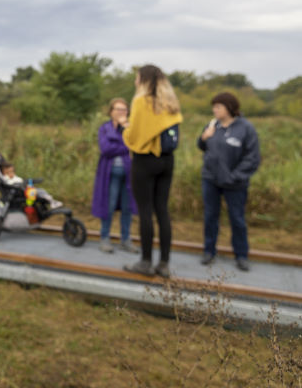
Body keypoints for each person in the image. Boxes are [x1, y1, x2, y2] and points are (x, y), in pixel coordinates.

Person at [121, 65, 183, 278]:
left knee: (145, 211)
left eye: (137, 78)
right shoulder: (170, 103)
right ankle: (164, 263)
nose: (135, 82)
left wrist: (125, 130)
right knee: (162, 210)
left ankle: (146, 262)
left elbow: (135, 138)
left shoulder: (141, 101)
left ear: (144, 80)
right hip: (167, 161)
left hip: (145, 161)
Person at [197, 92, 260, 271]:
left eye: (218, 107)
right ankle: (209, 251)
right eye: (213, 107)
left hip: (235, 183)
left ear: (229, 108)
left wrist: (235, 176)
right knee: (210, 216)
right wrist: (204, 137)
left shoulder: (245, 128)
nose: (214, 110)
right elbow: (202, 146)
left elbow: (252, 158)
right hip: (210, 180)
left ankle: (241, 255)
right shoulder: (212, 125)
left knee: (237, 218)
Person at [91, 98, 139, 254]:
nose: (121, 112)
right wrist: (125, 144)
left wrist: (125, 130)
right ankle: (105, 238)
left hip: (129, 174)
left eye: (124, 109)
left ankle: (126, 239)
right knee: (109, 206)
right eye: (118, 109)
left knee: (127, 208)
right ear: (111, 111)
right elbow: (105, 148)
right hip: (109, 174)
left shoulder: (131, 128)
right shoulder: (104, 128)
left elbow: (137, 145)